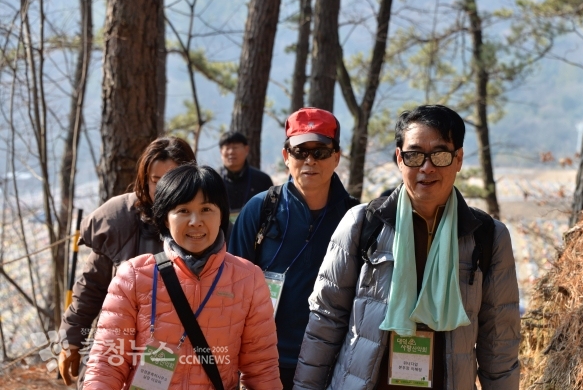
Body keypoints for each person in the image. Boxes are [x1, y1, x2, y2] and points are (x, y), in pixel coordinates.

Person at [293, 105, 520, 389]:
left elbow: (500, 341)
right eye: (414, 155)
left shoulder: (486, 236)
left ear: (459, 159)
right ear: (400, 159)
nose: (427, 167)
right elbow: (325, 322)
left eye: (440, 154)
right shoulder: (363, 224)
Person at [82, 164, 281, 389]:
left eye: (206, 209)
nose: (195, 221)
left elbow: (262, 370)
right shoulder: (134, 277)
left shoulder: (248, 280)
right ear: (165, 219)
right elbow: (106, 364)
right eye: (183, 210)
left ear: (221, 216)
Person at [228, 107, 359, 389]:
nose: (310, 160)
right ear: (286, 156)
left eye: (320, 152)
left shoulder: (356, 218)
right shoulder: (260, 209)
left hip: (332, 364)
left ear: (337, 156)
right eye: (300, 152)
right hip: (263, 361)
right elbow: (231, 288)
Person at [58, 136, 197, 386]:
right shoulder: (119, 219)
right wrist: (72, 340)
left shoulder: (204, 223)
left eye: (172, 180)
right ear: (145, 180)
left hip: (182, 355)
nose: (163, 189)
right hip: (114, 349)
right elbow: (91, 287)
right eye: (156, 180)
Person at [219, 131, 273, 222]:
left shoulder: (262, 180)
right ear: (221, 152)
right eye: (227, 148)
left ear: (246, 150)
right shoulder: (212, 180)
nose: (231, 152)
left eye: (235, 147)